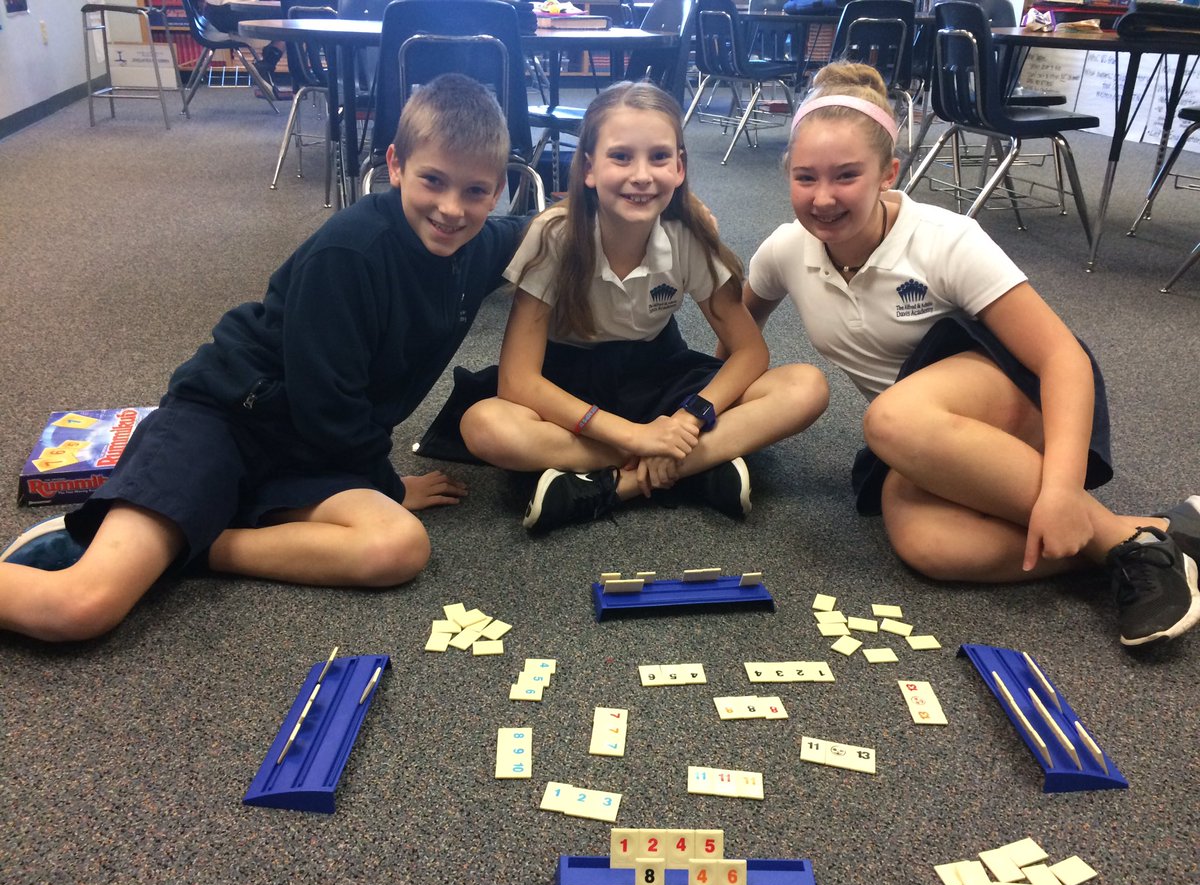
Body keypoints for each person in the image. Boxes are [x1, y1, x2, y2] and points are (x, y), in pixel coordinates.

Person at [0, 74, 526, 643]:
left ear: (497, 190)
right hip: (226, 423)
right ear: (395, 165)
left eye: (475, 192)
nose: (452, 208)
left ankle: (190, 540)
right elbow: (330, 406)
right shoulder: (349, 251)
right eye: (433, 181)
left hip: (312, 456)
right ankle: (133, 538)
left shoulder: (483, 246)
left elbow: (555, 228)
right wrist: (388, 486)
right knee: (82, 607)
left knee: (398, 548)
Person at [741, 61, 1200, 647]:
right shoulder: (785, 250)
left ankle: (1127, 550)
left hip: (1021, 412)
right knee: (927, 547)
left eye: (846, 175)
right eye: (805, 177)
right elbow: (738, 336)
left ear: (889, 174)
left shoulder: (944, 239)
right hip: (917, 441)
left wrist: (1060, 490)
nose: (823, 197)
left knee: (890, 417)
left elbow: (1064, 359)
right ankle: (1157, 535)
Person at [457, 81, 827, 532]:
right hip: (571, 385)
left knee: (806, 386)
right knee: (485, 425)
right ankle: (695, 467)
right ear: (589, 168)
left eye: (658, 157)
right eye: (620, 157)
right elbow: (518, 380)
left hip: (660, 377)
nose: (641, 175)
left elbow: (750, 351)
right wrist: (638, 436)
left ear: (679, 166)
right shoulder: (554, 234)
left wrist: (693, 415)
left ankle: (608, 485)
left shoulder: (690, 233)